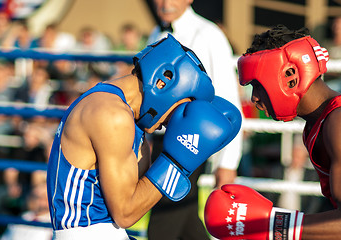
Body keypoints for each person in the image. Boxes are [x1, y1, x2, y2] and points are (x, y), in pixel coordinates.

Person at [46, 34, 242, 240]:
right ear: (163, 82)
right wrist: (176, 163)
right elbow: (125, 213)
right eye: (181, 107)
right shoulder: (112, 116)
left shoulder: (126, 114)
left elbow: (138, 193)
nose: (172, 122)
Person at [204, 24, 341, 240]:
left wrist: (272, 224)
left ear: (289, 76)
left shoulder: (337, 124)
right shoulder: (317, 125)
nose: (254, 97)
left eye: (257, 84)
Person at [146, 0, 243, 239]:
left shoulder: (210, 35)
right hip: (159, 141)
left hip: (191, 140)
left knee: (162, 223)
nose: (166, 3)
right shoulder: (155, 33)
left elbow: (229, 99)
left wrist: (228, 162)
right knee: (186, 221)